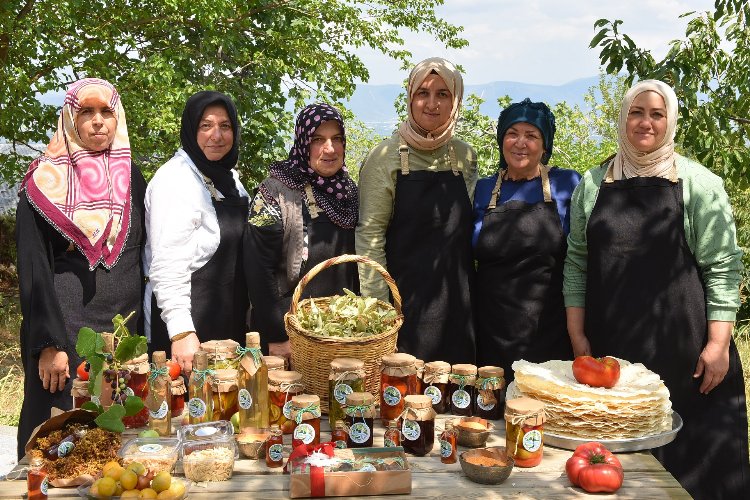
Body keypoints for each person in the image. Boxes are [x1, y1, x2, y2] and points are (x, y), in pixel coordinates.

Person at [563, 79, 749, 499]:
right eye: (636, 112)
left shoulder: (700, 185)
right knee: (614, 473)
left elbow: (722, 268)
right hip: (613, 358)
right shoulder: (592, 185)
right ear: (623, 117)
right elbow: (576, 263)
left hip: (685, 355)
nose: (645, 123)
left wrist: (718, 344)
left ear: (671, 121)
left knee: (692, 470)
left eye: (657, 114)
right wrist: (577, 337)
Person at [16, 78, 146, 458]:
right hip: (65, 334)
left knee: (115, 432)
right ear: (70, 119)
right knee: (57, 439)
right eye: (85, 112)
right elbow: (34, 268)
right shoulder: (43, 182)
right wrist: (48, 344)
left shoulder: (131, 177)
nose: (98, 122)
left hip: (121, 332)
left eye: (106, 111)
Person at [356, 57, 477, 364]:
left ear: (455, 100)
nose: (431, 104)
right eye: (422, 93)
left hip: (457, 305)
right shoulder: (384, 156)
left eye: (442, 94)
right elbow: (370, 236)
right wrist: (379, 315)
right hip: (404, 309)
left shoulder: (464, 156)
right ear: (410, 98)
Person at [472, 99, 580, 379]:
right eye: (512, 133)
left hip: (548, 330)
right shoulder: (483, 190)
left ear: (545, 146)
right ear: (501, 140)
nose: (520, 143)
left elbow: (582, 260)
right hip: (490, 332)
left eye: (531, 135)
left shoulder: (567, 185)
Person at [145, 91, 250, 374]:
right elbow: (166, 265)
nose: (216, 135)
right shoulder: (175, 180)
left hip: (228, 320)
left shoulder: (230, 179)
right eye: (206, 126)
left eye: (225, 126)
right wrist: (181, 333)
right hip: (192, 327)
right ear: (191, 130)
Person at [245, 103, 359, 357]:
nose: (330, 148)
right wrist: (277, 336)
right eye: (318, 139)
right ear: (303, 143)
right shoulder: (273, 194)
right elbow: (258, 270)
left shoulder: (349, 191)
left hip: (342, 332)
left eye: (336, 139)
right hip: (292, 334)